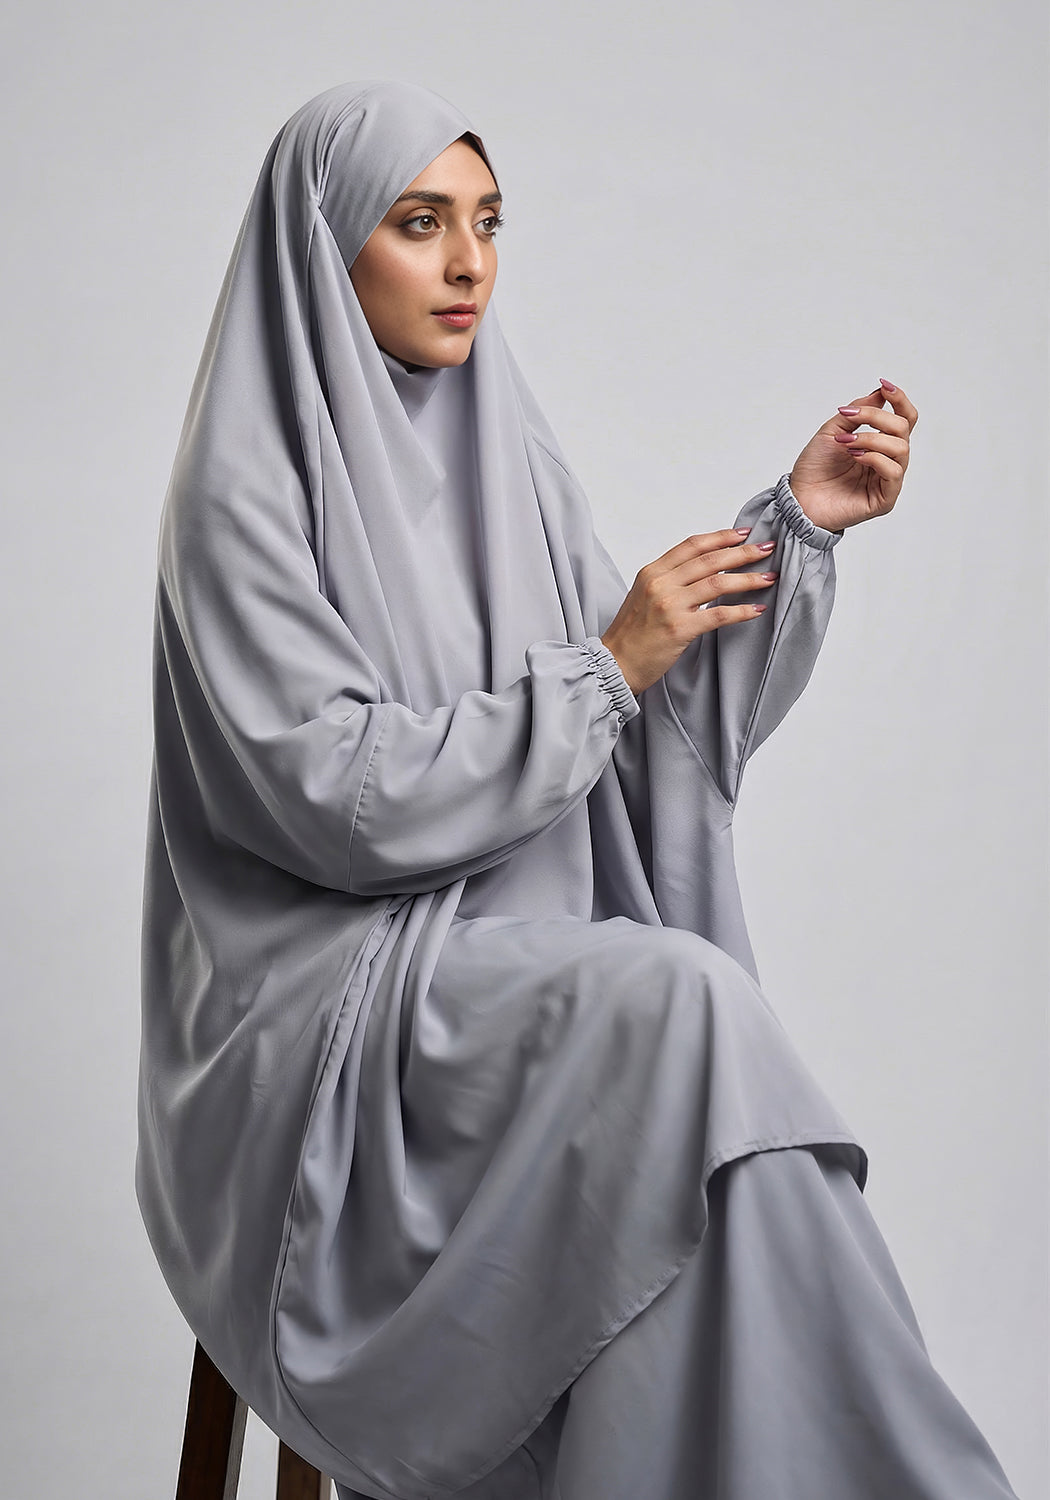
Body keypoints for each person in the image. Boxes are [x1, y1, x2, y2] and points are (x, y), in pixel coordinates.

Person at [136, 81, 1019, 1500]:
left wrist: (793, 527)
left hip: (503, 975)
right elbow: (332, 796)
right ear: (323, 246)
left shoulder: (512, 460)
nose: (468, 263)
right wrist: (606, 663)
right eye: (418, 223)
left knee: (688, 1080)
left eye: (487, 223)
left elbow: (633, 746)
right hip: (323, 1021)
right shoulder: (242, 498)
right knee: (679, 1011)